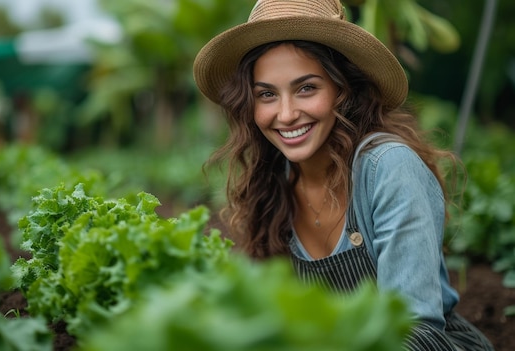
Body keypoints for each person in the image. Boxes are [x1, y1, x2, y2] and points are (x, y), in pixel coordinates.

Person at [193, 0, 494, 350]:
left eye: (306, 88)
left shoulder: (388, 169)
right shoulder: (272, 182)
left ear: (343, 88)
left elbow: (417, 332)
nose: (286, 114)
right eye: (267, 95)